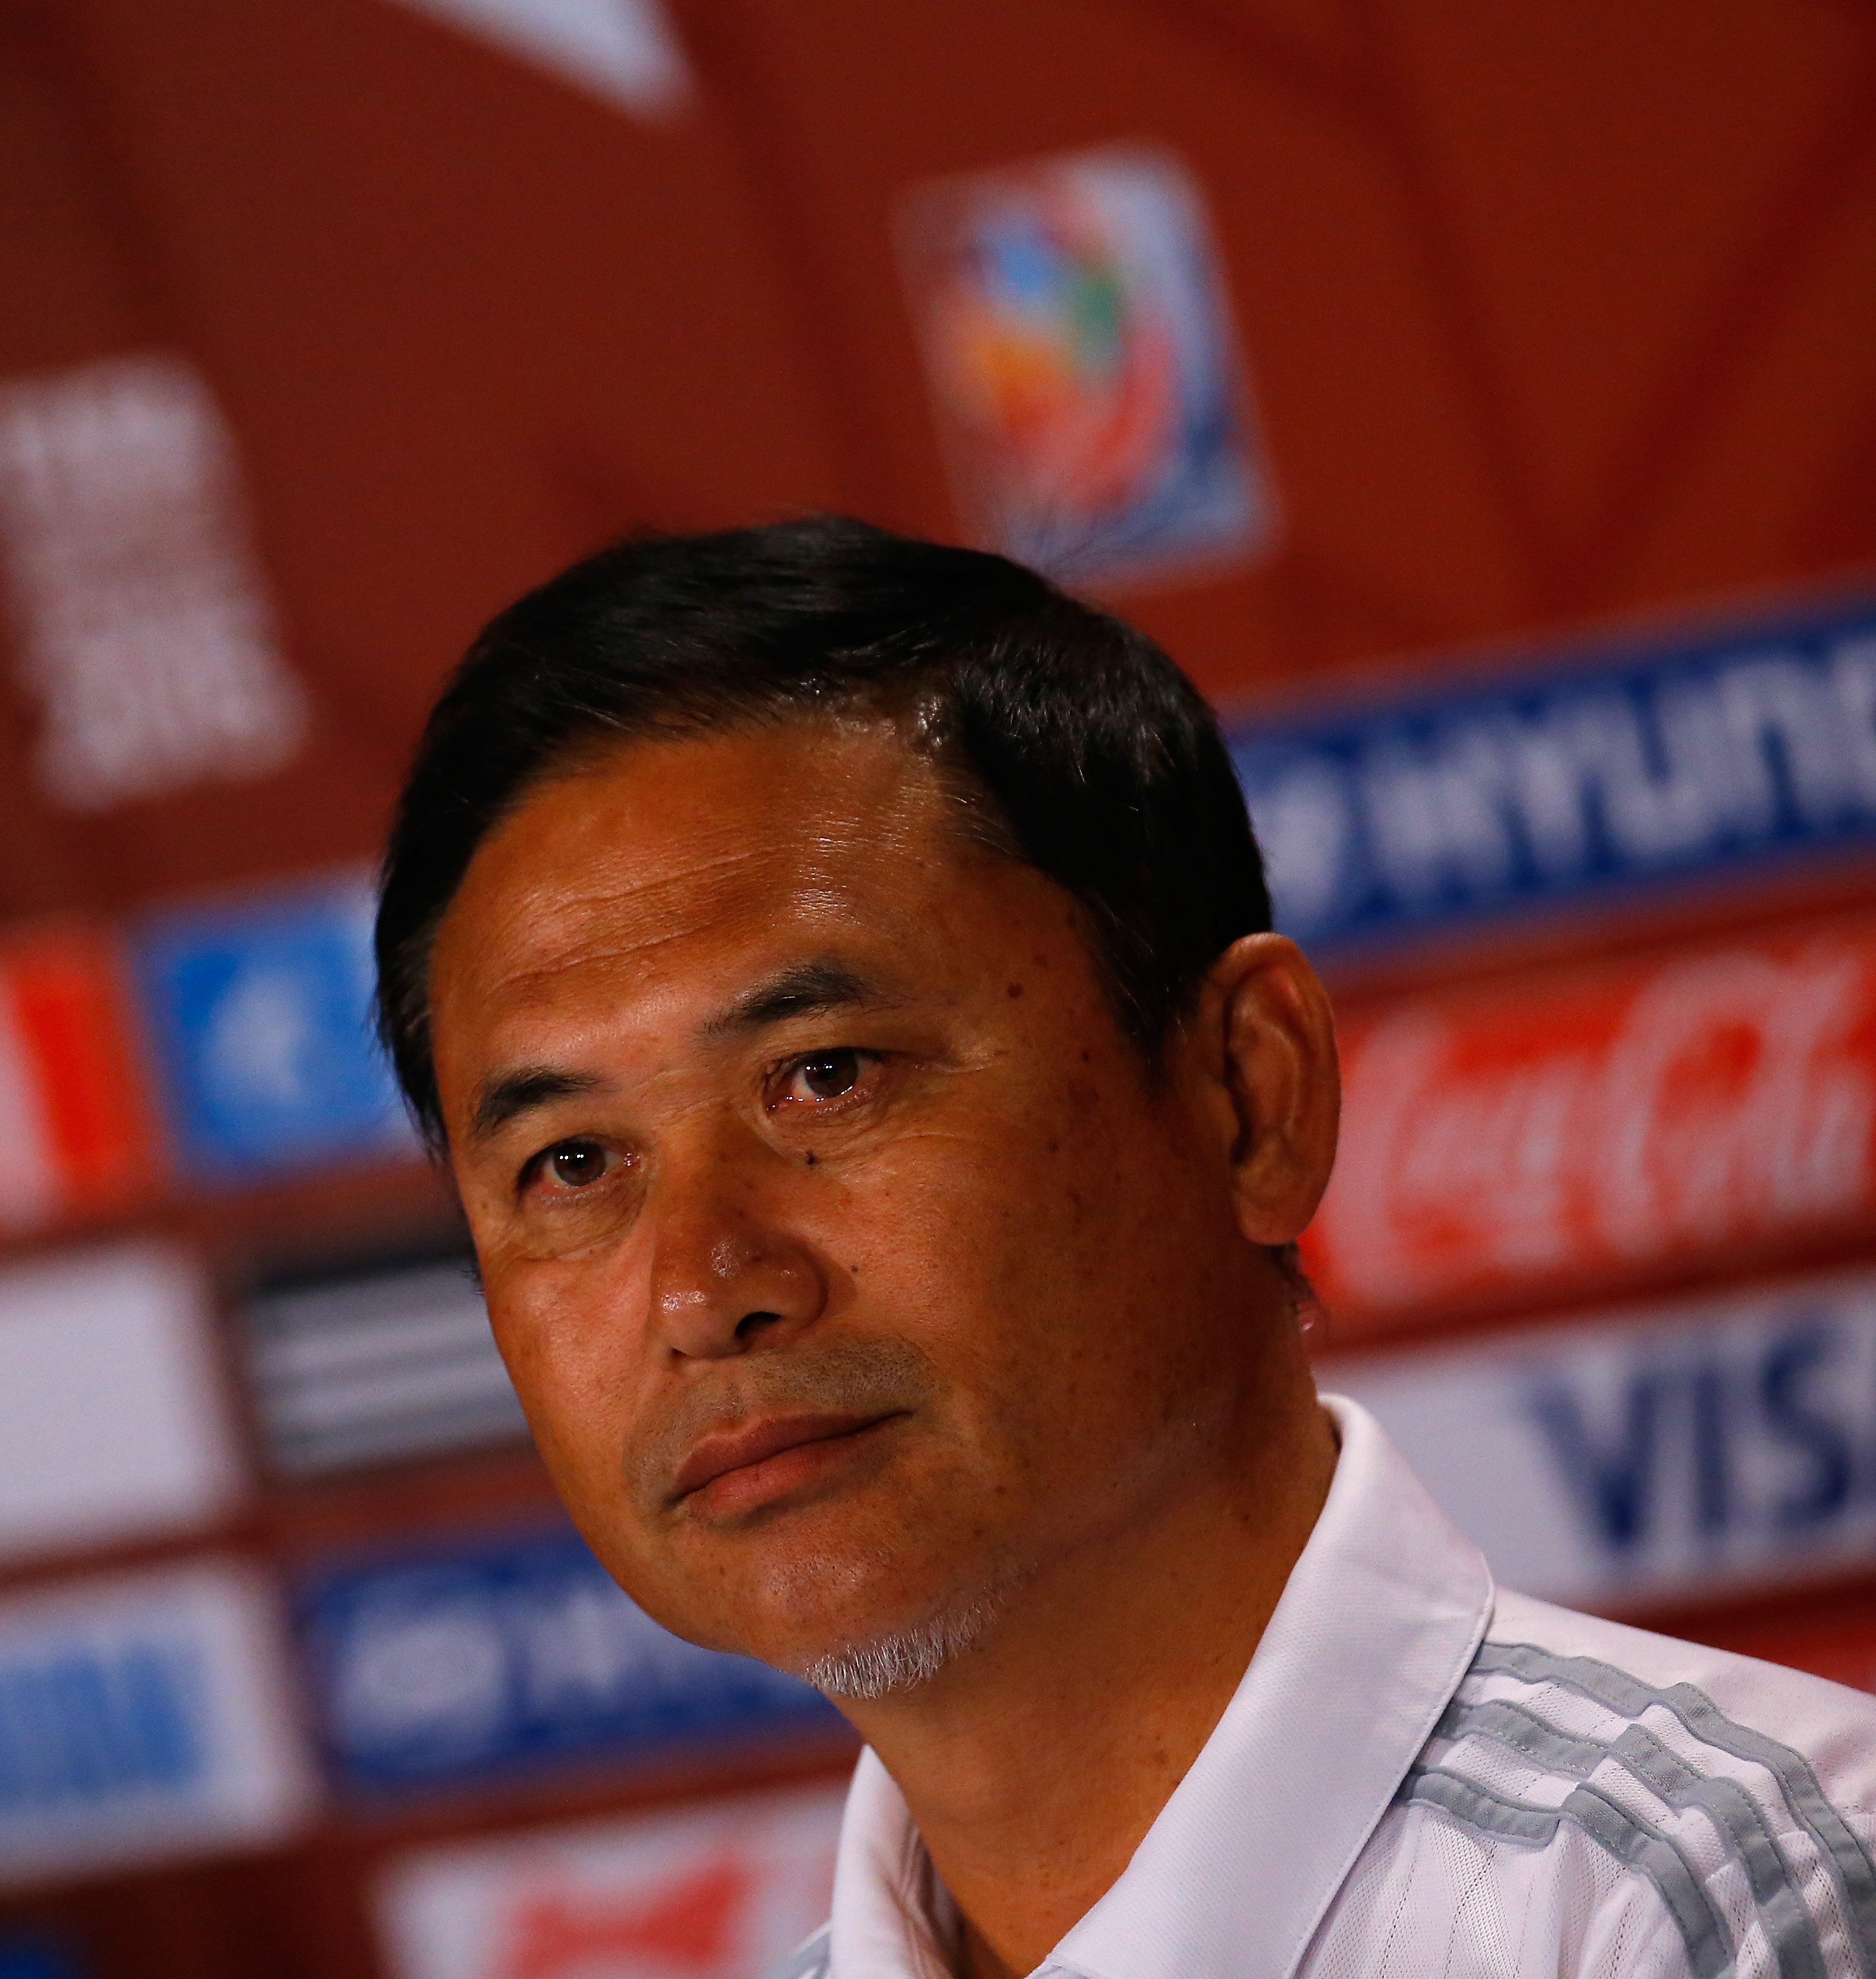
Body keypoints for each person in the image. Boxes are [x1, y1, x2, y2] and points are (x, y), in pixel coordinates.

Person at [371, 516, 1876, 1979]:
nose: (706, 1286)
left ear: (1247, 1094)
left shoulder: (1714, 1903)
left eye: (825, 1074)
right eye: (572, 1164)